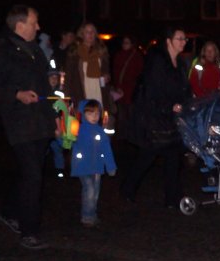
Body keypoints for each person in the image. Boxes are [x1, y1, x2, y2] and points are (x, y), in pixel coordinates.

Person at [0, 5, 58, 250]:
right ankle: (29, 231)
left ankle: (10, 211)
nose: (38, 26)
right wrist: (17, 94)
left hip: (41, 122)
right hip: (20, 124)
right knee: (33, 175)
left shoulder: (35, 50)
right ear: (20, 25)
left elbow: (44, 85)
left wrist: (51, 85)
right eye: (34, 22)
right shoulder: (1, 52)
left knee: (30, 172)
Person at [121, 27, 192, 209]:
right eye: (179, 38)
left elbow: (184, 88)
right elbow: (154, 91)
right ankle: (127, 189)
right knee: (147, 155)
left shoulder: (182, 63)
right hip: (156, 118)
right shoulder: (158, 61)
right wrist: (168, 106)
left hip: (173, 118)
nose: (183, 42)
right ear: (169, 41)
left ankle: (172, 198)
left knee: (173, 157)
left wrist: (186, 104)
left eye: (184, 39)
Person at [70, 99, 117, 228]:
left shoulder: (100, 131)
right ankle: (87, 216)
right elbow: (67, 141)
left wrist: (110, 166)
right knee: (89, 190)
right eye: (90, 114)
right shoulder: (77, 130)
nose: (94, 117)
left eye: (96, 114)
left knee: (95, 192)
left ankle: (92, 214)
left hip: (96, 166)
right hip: (83, 166)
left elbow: (106, 149)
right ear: (83, 114)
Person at [64, 22, 115, 121]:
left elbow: (106, 71)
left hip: (99, 91)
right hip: (81, 92)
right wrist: (67, 96)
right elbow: (69, 76)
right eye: (87, 32)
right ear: (82, 34)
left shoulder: (101, 50)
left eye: (92, 32)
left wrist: (107, 76)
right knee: (83, 120)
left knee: (99, 119)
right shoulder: (74, 51)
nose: (90, 34)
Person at [111, 35, 144, 134]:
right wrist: (117, 86)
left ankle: (130, 134)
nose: (125, 45)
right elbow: (115, 72)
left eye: (127, 43)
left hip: (131, 91)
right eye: (124, 42)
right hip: (120, 91)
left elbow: (139, 74)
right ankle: (122, 135)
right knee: (121, 114)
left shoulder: (136, 57)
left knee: (130, 114)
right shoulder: (119, 55)